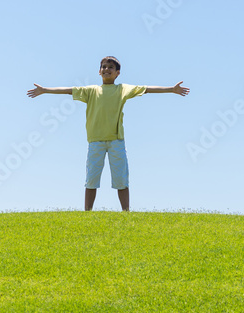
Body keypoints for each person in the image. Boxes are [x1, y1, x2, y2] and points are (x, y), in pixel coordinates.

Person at [27, 56, 189, 211]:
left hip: (116, 141)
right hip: (95, 141)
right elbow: (69, 90)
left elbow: (146, 89)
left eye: (111, 67)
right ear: (99, 71)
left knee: (121, 179)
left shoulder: (122, 89)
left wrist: (171, 89)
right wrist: (45, 90)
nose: (106, 69)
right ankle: (87, 213)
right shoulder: (91, 91)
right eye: (103, 67)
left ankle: (126, 213)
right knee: (91, 179)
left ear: (117, 73)